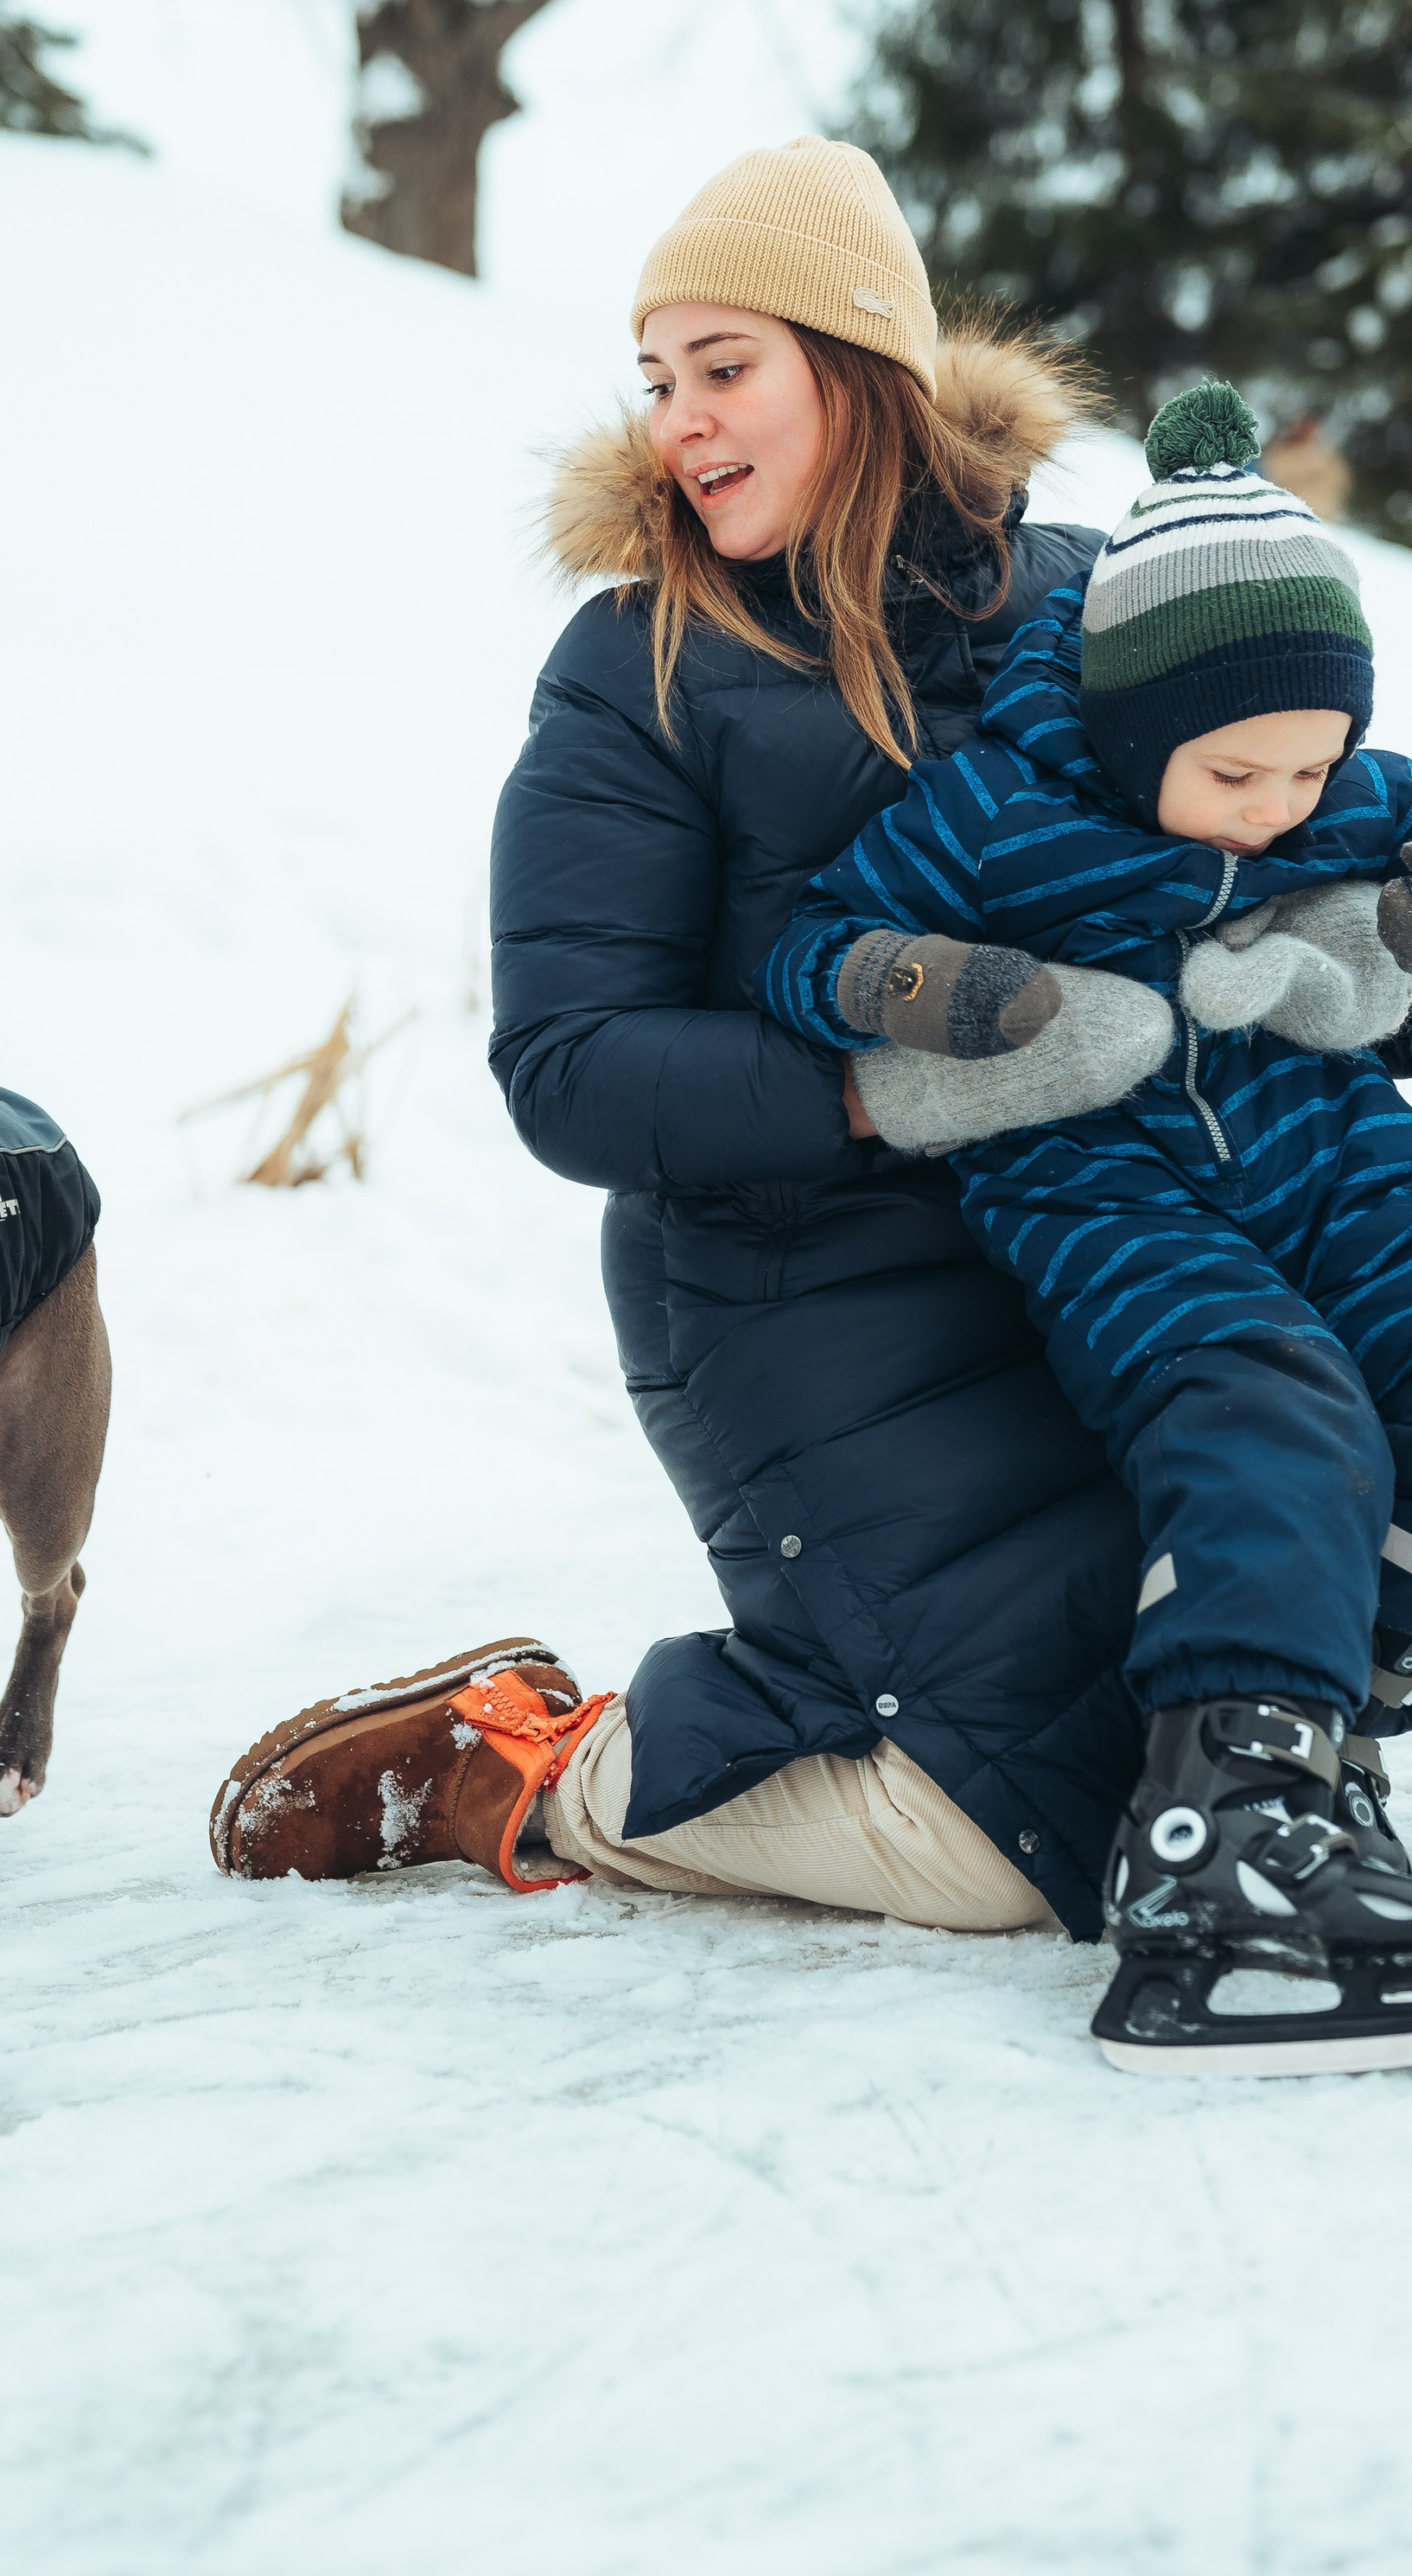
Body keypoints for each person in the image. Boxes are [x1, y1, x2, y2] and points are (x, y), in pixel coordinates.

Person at [213, 138, 1148, 1942]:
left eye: (725, 366)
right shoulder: (637, 661)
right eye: (657, 379)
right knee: (1008, 1848)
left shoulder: (1094, 598)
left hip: (1100, 1243)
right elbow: (568, 1066)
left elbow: (1267, 818)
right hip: (807, 1288)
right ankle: (530, 1772)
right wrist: (891, 1088)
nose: (678, 421)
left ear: (860, 368)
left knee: (1262, 1664)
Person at [759, 379, 1412, 2069]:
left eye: (1313, 764)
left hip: (1338, 1153)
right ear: (1135, 723)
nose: (1281, 804)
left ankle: (1326, 1718)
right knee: (1271, 1415)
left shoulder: (1354, 791)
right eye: (1234, 772)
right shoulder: (999, 808)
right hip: (1103, 1181)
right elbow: (808, 948)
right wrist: (930, 988)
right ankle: (1209, 1834)